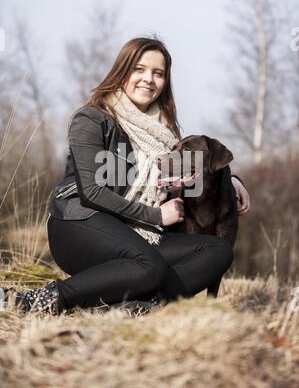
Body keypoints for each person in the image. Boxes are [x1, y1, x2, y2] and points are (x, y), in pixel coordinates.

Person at [0, 37, 250, 315]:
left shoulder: (166, 134)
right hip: (79, 224)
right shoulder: (92, 119)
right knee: (148, 265)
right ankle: (34, 300)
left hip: (143, 235)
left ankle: (138, 307)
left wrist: (232, 179)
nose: (149, 79)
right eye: (139, 69)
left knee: (217, 251)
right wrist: (156, 216)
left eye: (158, 73)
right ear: (123, 71)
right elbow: (92, 192)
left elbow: (200, 167)